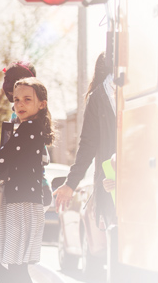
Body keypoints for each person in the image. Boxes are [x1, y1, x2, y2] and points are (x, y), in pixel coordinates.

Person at [0, 77, 55, 283]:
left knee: (13, 269)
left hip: (22, 205)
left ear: (42, 104)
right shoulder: (27, 128)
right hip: (15, 203)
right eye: (17, 99)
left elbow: (5, 155)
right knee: (11, 269)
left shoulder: (30, 128)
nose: (20, 104)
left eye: (27, 99)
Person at [53, 53, 116, 226]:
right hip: (113, 182)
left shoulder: (100, 96)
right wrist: (71, 183)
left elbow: (88, 144)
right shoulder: (99, 97)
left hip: (113, 181)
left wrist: (71, 184)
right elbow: (89, 143)